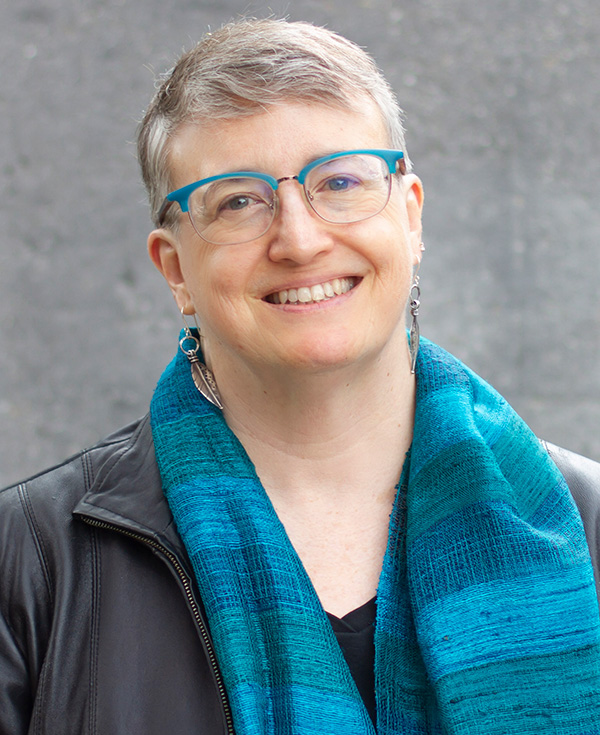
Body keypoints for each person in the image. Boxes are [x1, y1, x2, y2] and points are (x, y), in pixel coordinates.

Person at [1, 18, 600, 735]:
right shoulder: (29, 562)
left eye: (340, 181)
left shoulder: (589, 528)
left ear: (410, 219)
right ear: (175, 269)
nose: (300, 238)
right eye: (238, 202)